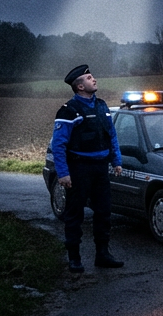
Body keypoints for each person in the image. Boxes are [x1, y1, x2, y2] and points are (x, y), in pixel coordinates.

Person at [51, 64, 125, 273]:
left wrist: (116, 161)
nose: (95, 80)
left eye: (93, 77)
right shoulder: (68, 110)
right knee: (75, 214)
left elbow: (111, 135)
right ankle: (74, 258)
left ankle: (103, 254)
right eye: (90, 78)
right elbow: (59, 145)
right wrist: (63, 173)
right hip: (79, 168)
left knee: (104, 212)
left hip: (100, 168)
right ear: (80, 86)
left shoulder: (102, 106)